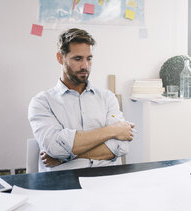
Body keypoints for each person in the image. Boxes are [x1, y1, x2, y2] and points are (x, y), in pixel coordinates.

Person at [28, 28, 134, 172]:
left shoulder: (107, 97)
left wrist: (65, 157)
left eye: (89, 58)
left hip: (106, 179)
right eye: (77, 59)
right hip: (63, 182)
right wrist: (112, 130)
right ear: (60, 58)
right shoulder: (42, 102)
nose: (85, 66)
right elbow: (55, 148)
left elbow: (121, 146)